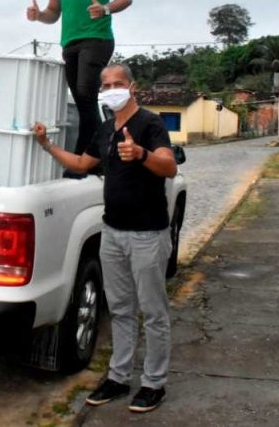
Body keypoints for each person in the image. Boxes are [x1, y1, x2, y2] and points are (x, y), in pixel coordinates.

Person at [32, 63, 176, 414]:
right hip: (112, 233)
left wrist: (140, 154)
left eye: (117, 84)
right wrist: (47, 145)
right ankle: (118, 377)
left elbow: (169, 166)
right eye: (106, 85)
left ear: (132, 87)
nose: (111, 89)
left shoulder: (150, 124)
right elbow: (82, 164)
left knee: (153, 312)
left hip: (147, 235)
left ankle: (154, 383)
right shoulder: (105, 128)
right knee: (122, 309)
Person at [26, 0, 132, 168]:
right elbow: (53, 13)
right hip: (70, 42)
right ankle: (93, 156)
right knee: (83, 103)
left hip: (96, 38)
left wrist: (105, 8)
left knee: (85, 94)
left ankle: (91, 161)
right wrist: (39, 15)